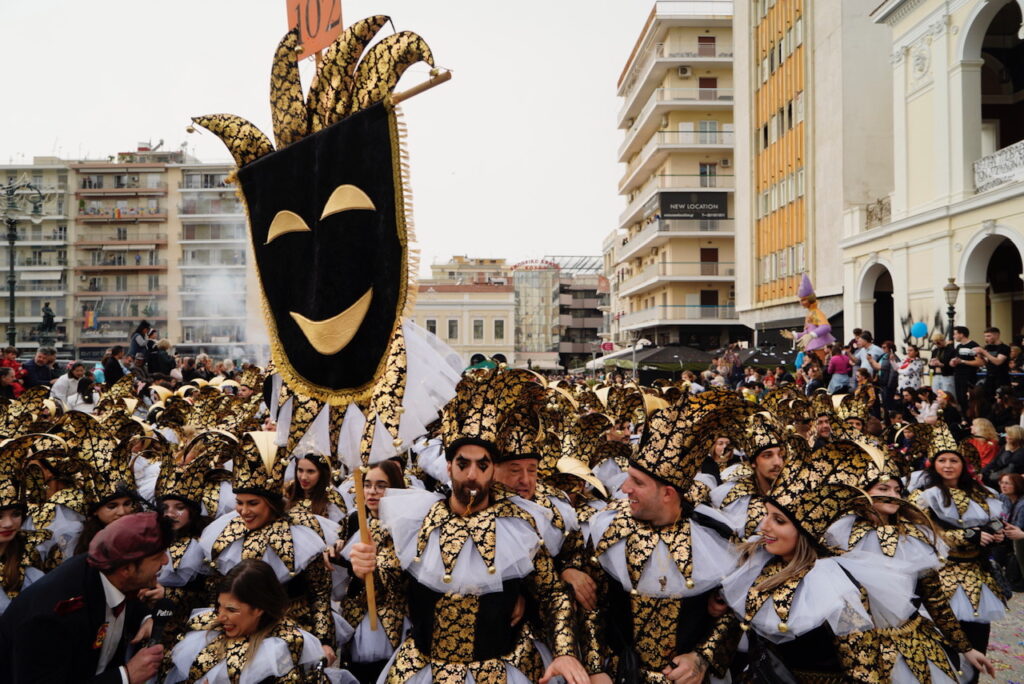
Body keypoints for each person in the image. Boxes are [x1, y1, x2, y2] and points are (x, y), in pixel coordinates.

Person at [350, 371, 589, 683]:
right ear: (449, 467)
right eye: (463, 464)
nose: (472, 474)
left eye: (483, 465)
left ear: (493, 471)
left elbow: (551, 594)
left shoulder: (519, 526)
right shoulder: (416, 521)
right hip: (424, 670)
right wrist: (365, 568)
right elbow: (394, 594)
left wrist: (565, 651)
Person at [580, 395, 741, 683]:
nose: (625, 488)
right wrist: (596, 669)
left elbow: (737, 610)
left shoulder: (715, 537)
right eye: (628, 477)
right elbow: (592, 606)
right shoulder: (608, 527)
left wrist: (704, 657)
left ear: (668, 493)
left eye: (638, 483)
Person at [199, 432, 339, 663]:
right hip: (239, 630)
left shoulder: (301, 537)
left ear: (271, 504)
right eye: (240, 503)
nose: (244, 511)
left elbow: (319, 594)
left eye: (253, 503)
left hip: (291, 634)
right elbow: (215, 589)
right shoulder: (226, 533)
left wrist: (324, 640)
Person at [0, 511, 170, 683]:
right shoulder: (52, 618)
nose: (165, 561)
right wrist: (125, 676)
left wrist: (144, 618)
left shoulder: (107, 570)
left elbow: (126, 596)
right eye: (157, 557)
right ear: (126, 569)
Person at [908, 424, 1007, 678]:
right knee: (946, 646)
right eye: (943, 460)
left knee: (977, 643)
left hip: (979, 577)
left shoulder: (982, 493)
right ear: (933, 463)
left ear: (964, 464)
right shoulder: (922, 496)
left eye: (954, 460)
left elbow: (995, 522)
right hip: (942, 577)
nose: (948, 465)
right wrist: (969, 535)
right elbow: (922, 534)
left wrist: (996, 534)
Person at [163, 559, 339, 684]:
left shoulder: (284, 648)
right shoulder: (206, 628)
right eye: (219, 606)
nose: (220, 617)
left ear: (258, 609)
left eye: (232, 610)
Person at [337, 460, 408, 682]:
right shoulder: (354, 521)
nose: (372, 492)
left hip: (392, 624)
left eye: (381, 485)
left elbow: (396, 579)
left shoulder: (404, 525)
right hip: (356, 620)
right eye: (367, 485)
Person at [950, 326, 983, 412]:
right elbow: (957, 359)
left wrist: (963, 361)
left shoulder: (973, 345)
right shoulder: (958, 346)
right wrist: (953, 362)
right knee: (960, 399)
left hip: (969, 377)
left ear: (961, 334)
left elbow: (980, 362)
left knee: (968, 399)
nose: (954, 336)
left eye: (955, 334)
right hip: (958, 376)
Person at [977, 326, 1011, 400]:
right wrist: (981, 356)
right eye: (985, 336)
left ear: (996, 335)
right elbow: (987, 363)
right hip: (989, 377)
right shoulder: (987, 347)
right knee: (987, 399)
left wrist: (984, 352)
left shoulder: (1004, 348)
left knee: (1001, 400)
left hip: (1001, 377)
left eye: (989, 336)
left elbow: (998, 362)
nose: (986, 338)